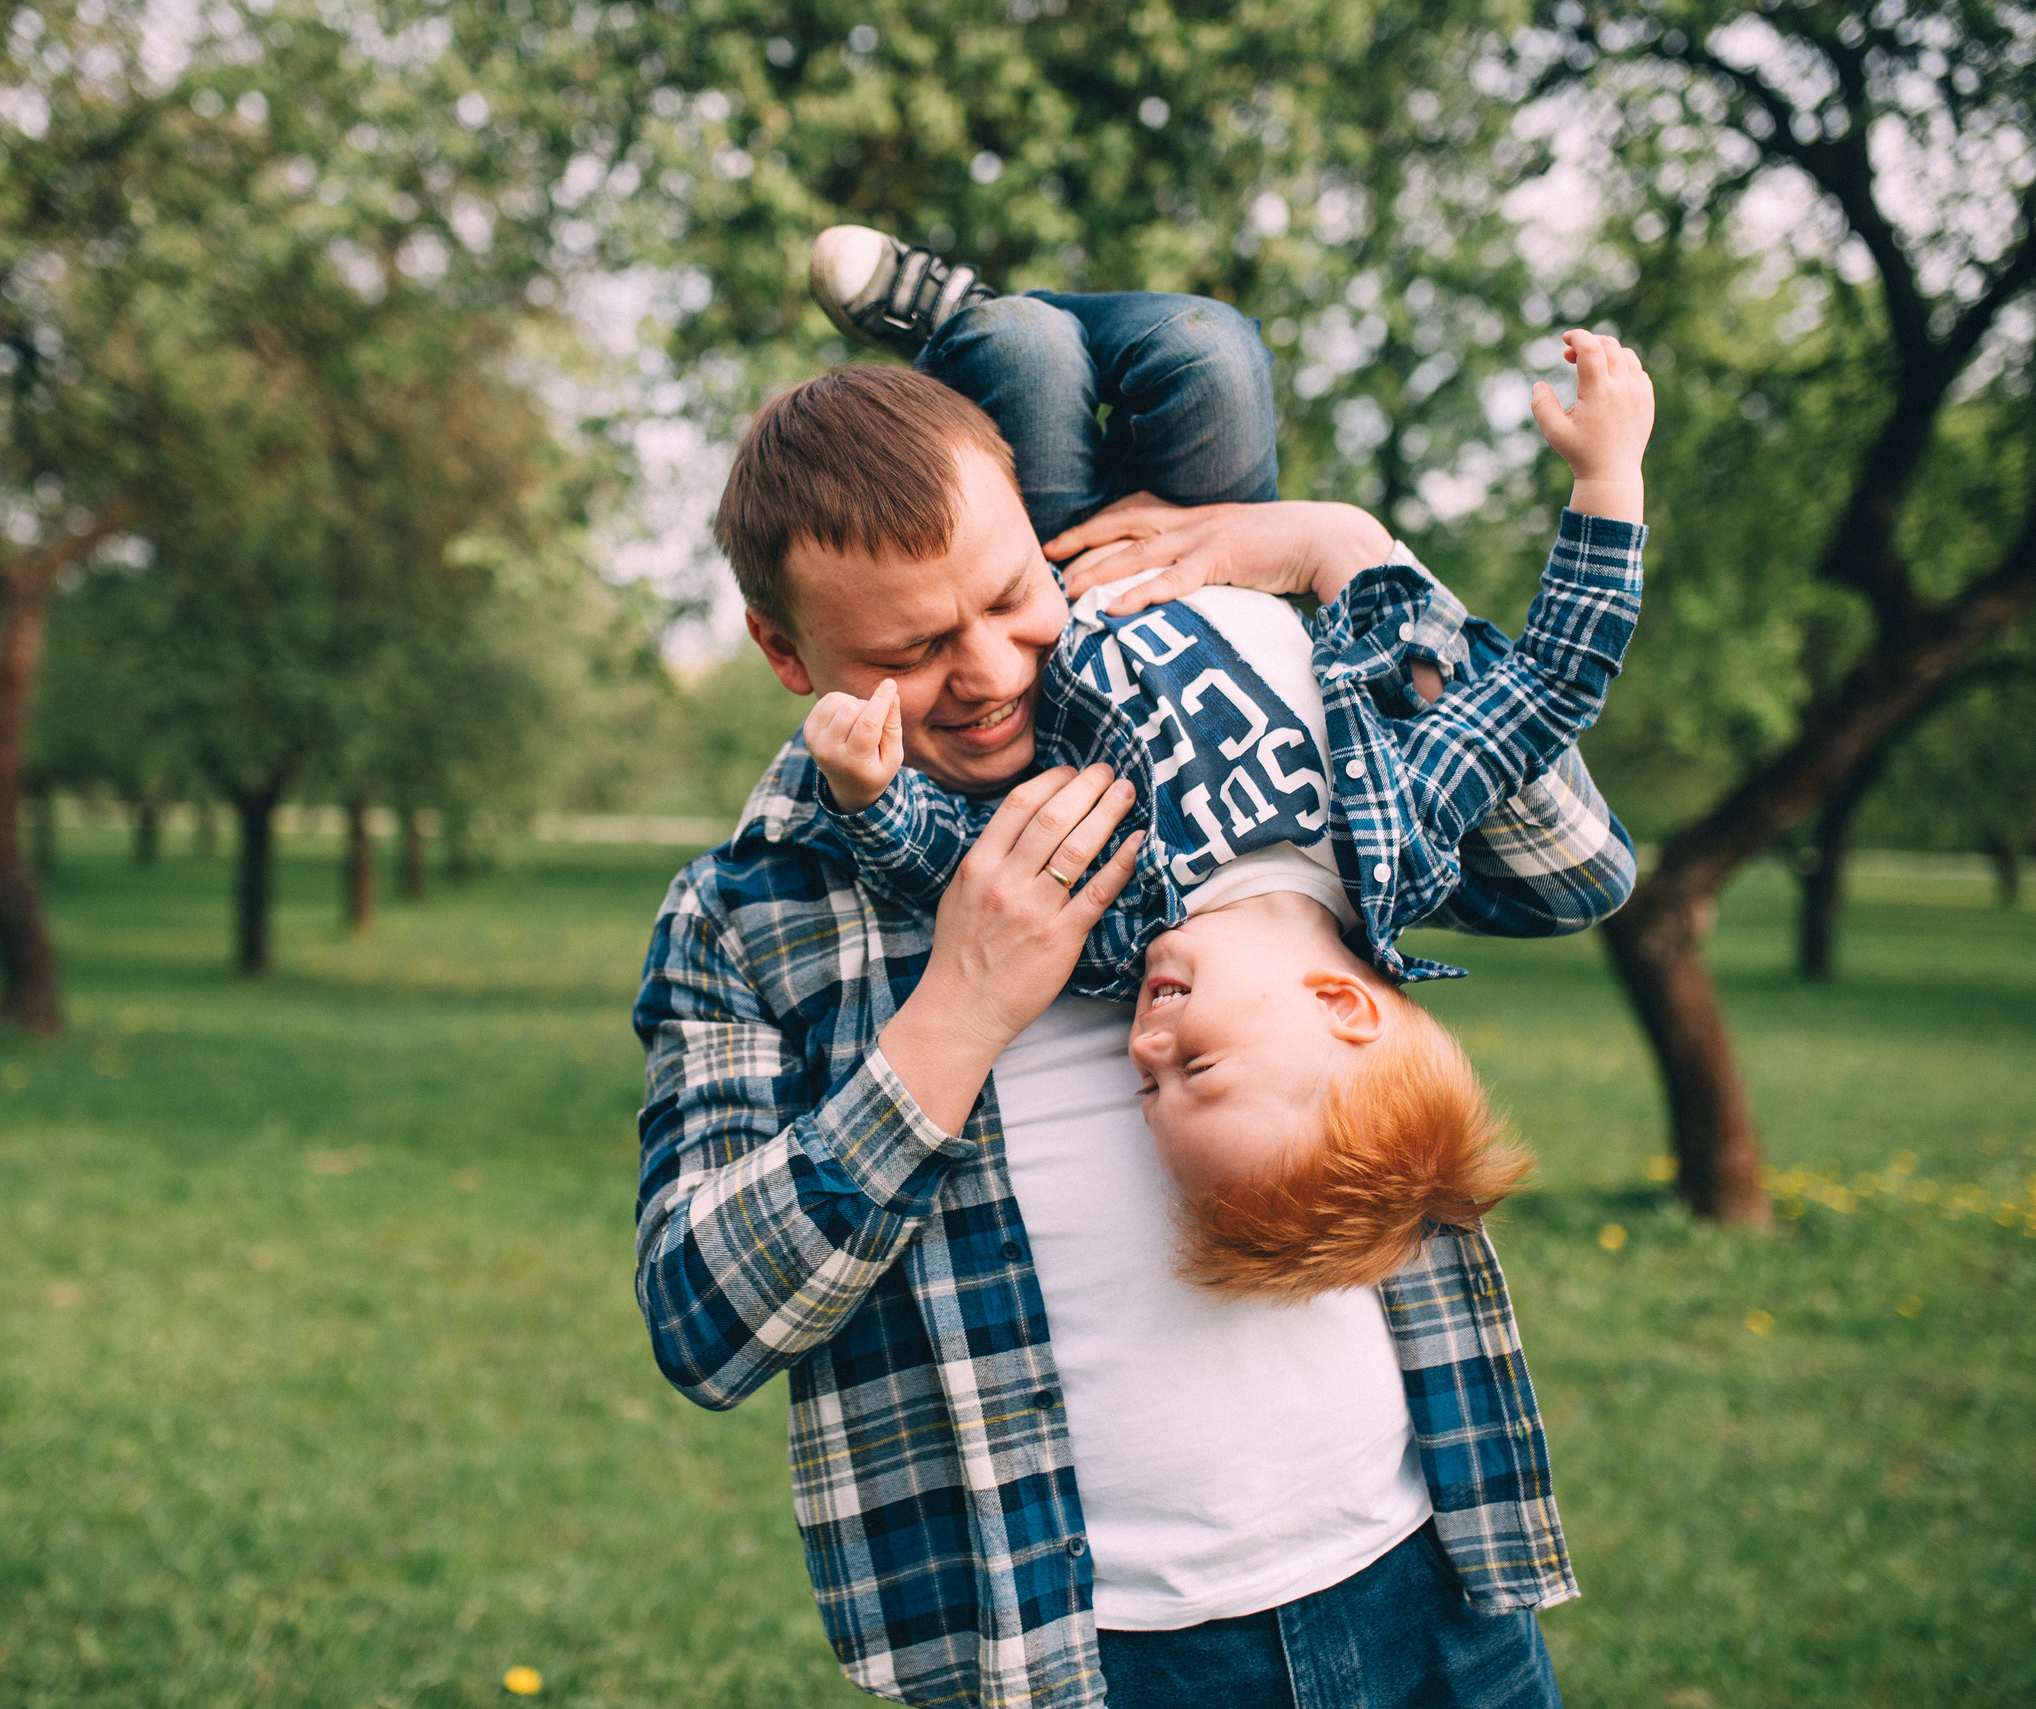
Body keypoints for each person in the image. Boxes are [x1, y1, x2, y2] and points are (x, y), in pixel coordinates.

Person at [634, 240, 1619, 1708]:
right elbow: (704, 1325)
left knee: (1204, 354)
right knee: (1067, 357)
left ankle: (988, 333)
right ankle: (989, 331)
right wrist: (956, 1009)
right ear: (786, 652)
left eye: (1018, 595)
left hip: (1431, 1585)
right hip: (1086, 1661)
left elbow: (1572, 866)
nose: (994, 673)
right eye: (912, 649)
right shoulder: (754, 906)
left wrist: (1341, 547)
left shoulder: (1216, 708)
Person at [793, 292, 1655, 1302]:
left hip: (1047, 578)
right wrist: (1609, 475)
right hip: (1231, 538)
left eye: (1148, 1088)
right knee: (1207, 352)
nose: (1146, 1048)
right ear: (1340, 1004)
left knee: (1015, 347)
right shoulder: (1399, 832)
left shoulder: (1111, 927)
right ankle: (963, 312)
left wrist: (868, 791)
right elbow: (1548, 684)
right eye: (1193, 1068)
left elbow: (952, 859)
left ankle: (959, 319)